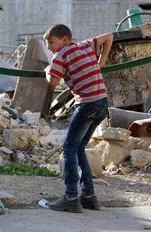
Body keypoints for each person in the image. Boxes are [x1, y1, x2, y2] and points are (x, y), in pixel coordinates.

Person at [44, 24, 113, 213]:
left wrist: (48, 69)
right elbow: (109, 36)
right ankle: (89, 197)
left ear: (64, 40)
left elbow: (52, 82)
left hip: (87, 104)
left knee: (68, 148)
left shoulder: (60, 56)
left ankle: (71, 197)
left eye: (51, 42)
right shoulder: (85, 45)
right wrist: (102, 60)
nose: (49, 48)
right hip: (102, 102)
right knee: (79, 147)